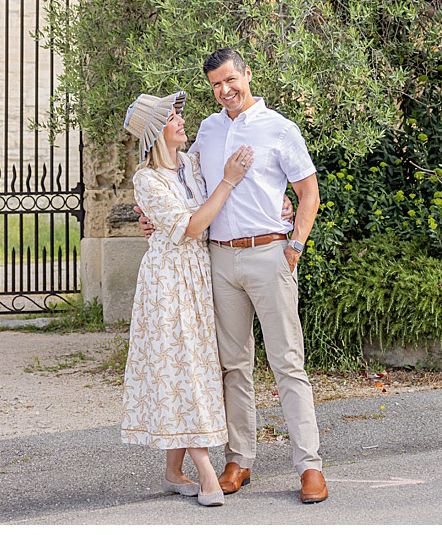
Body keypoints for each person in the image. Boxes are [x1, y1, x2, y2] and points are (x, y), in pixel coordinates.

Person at [138, 49, 328, 505]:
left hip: (269, 256)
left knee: (288, 364)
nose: (225, 92)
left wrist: (294, 246)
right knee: (232, 367)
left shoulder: (280, 129)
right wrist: (150, 219)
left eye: (230, 81)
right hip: (219, 261)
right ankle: (239, 459)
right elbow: (179, 181)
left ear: (247, 74)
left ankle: (310, 466)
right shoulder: (208, 129)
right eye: (216, 86)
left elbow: (308, 195)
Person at [120, 89, 254, 507]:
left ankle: (173, 471)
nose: (181, 121)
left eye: (178, 115)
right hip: (168, 283)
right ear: (159, 131)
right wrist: (229, 182)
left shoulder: (191, 164)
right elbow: (192, 225)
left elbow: (213, 208)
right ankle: (207, 472)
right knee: (183, 367)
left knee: (191, 365)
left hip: (198, 275)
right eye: (173, 118)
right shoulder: (147, 179)